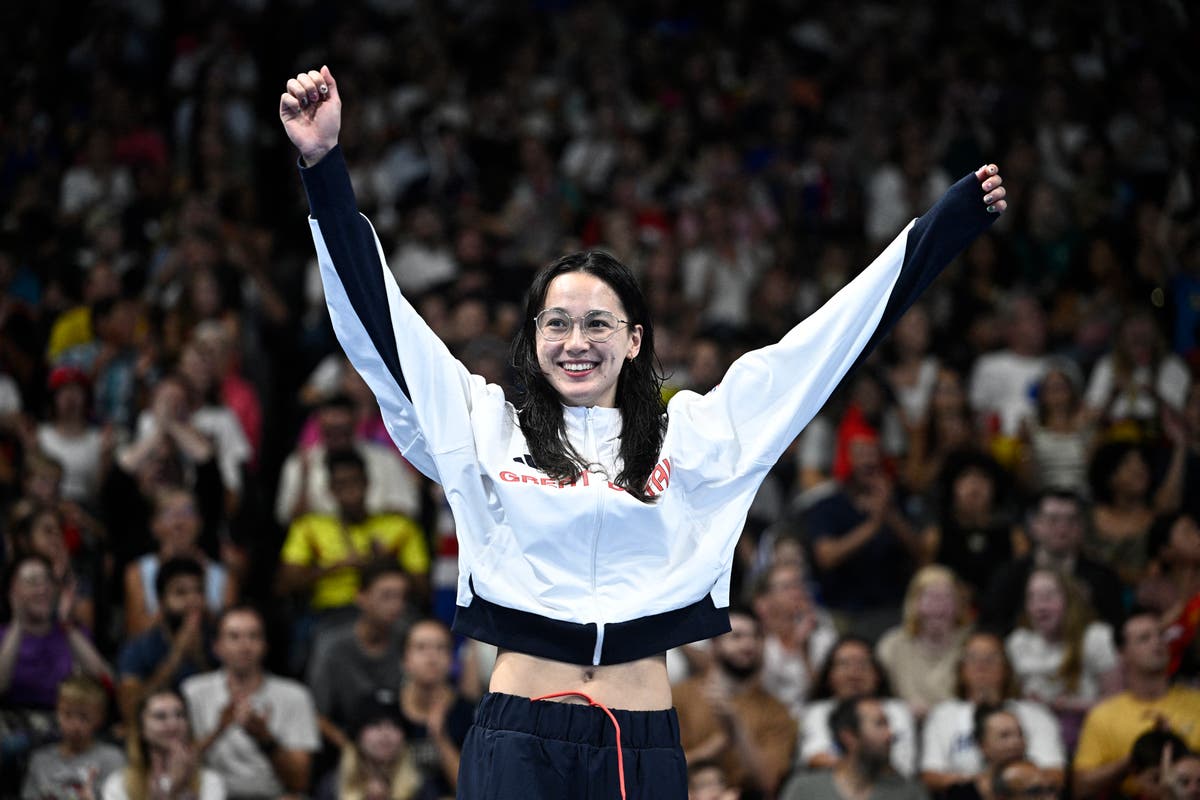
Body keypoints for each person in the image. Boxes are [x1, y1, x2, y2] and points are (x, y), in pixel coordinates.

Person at [279, 64, 1008, 798]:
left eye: (599, 322)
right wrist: (324, 167)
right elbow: (381, 322)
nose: (576, 340)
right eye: (556, 323)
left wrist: (944, 226)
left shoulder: (695, 432)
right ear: (533, 339)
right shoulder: (483, 424)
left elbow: (823, 348)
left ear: (633, 340)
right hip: (516, 738)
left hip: (641, 743)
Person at [183, 606, 320, 800]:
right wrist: (218, 730)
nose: (245, 646)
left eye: (253, 636)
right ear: (217, 647)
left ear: (265, 645)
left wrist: (264, 738)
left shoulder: (294, 695)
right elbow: (176, 769)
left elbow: (300, 781)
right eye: (234, 637)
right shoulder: (193, 691)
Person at [1072, 609, 1200, 799]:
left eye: (1161, 635)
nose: (1157, 642)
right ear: (1122, 653)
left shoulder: (1196, 701)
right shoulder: (1103, 715)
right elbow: (1080, 787)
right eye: (1144, 638)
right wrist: (1136, 758)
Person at [672, 608, 797, 798]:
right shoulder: (679, 696)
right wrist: (716, 746)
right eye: (737, 636)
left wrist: (736, 727)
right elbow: (660, 769)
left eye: (756, 636)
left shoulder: (777, 711)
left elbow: (769, 784)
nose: (749, 644)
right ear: (714, 644)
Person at [920, 632, 1065, 794]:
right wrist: (984, 786)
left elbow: (1055, 775)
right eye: (972, 658)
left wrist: (1010, 784)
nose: (981, 665)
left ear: (1006, 668)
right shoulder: (943, 715)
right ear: (961, 669)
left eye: (991, 658)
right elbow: (931, 776)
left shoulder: (1036, 714)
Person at [980, 489, 1124, 634]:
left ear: (1082, 527)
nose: (1062, 528)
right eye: (1053, 520)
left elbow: (1115, 627)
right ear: (1035, 525)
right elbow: (992, 626)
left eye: (1071, 520)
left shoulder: (1103, 577)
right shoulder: (1009, 575)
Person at [306, 561, 412, 754]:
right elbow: (316, 714)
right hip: (345, 745)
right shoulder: (333, 646)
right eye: (387, 596)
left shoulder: (409, 639)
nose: (396, 605)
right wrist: (353, 753)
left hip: (402, 744)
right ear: (361, 596)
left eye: (401, 597)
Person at [800, 635, 919, 777]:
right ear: (829, 675)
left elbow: (903, 767)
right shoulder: (817, 712)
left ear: (877, 674)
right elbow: (816, 759)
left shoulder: (896, 710)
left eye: (863, 664)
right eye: (844, 664)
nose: (853, 673)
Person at [116, 557, 213, 724]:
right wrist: (177, 655)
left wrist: (200, 658)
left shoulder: (220, 641)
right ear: (161, 601)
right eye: (181, 593)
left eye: (198, 591)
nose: (192, 600)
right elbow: (130, 709)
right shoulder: (138, 648)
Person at [779, 695, 929, 800]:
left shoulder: (909, 793)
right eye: (880, 724)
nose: (890, 734)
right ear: (849, 737)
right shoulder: (805, 789)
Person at [876, 565, 971, 719]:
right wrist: (903, 709)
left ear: (958, 604)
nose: (939, 606)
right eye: (931, 597)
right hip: (904, 725)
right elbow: (880, 696)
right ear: (914, 603)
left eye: (947, 598)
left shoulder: (970, 644)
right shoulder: (892, 645)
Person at [101, 689, 225, 800]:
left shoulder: (209, 781)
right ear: (141, 729)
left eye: (180, 715)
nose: (173, 724)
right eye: (160, 717)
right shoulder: (119, 783)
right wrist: (173, 789)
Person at [313, 691, 437, 800]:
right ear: (357, 735)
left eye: (395, 725)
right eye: (375, 724)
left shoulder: (420, 786)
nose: (385, 733)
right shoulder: (332, 786)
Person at [20, 676, 125, 800]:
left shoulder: (112, 759)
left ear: (99, 719)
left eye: (84, 717)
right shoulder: (40, 760)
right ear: (57, 713)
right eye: (67, 714)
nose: (75, 725)